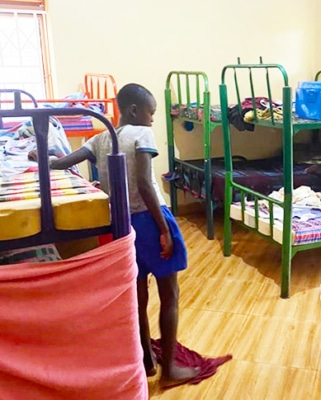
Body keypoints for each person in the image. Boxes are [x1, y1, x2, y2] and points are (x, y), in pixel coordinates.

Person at [29, 83, 198, 387]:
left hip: (121, 225)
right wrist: (164, 230)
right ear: (134, 110)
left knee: (138, 294)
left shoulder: (100, 138)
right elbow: (145, 184)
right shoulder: (141, 134)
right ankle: (171, 369)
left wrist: (40, 157)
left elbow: (62, 163)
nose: (152, 119)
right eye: (151, 113)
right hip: (151, 218)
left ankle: (147, 361)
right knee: (169, 294)